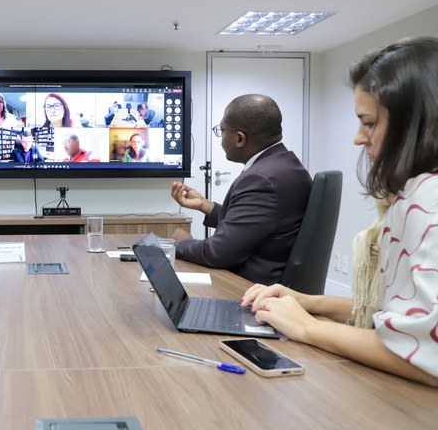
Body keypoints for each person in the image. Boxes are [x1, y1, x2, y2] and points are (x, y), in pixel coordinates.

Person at [242, 37, 438, 386]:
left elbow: (422, 352)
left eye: (369, 122)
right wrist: (307, 301)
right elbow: (404, 318)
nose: (358, 138)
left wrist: (307, 327)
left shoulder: (427, 200)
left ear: (415, 123)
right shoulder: (413, 195)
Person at [171, 94, 312, 284]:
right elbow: (254, 223)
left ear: (239, 138)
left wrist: (181, 244)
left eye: (222, 131)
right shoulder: (286, 166)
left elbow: (218, 253)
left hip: (247, 288)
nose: (221, 140)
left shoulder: (261, 179)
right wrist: (205, 205)